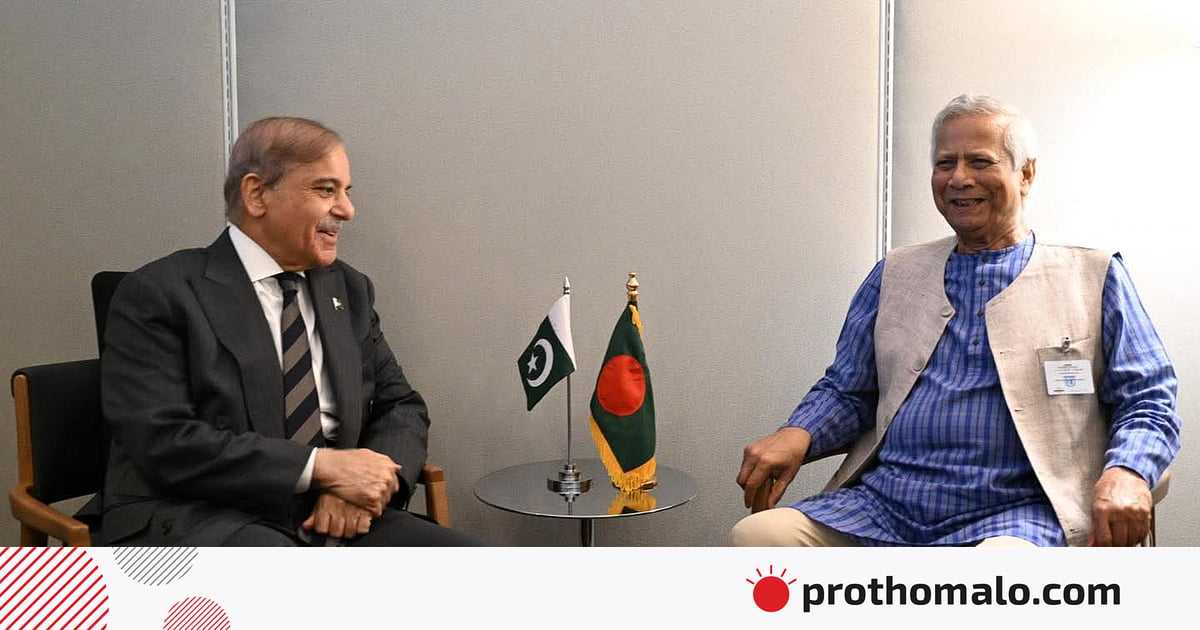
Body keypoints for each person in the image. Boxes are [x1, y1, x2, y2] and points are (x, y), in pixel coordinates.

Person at [733, 95, 1179, 547]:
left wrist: (1128, 471)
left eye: (980, 162)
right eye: (945, 163)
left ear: (1026, 174)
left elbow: (1148, 399)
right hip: (885, 506)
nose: (959, 178)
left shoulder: (1093, 275)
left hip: (1019, 513)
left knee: (1000, 569)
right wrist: (799, 432)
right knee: (759, 538)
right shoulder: (894, 274)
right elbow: (848, 390)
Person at [100, 117, 479, 546]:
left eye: (346, 191)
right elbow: (164, 441)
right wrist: (321, 468)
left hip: (332, 513)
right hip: (206, 516)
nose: (347, 210)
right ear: (257, 194)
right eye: (326, 190)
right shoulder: (160, 292)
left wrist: (360, 489)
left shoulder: (349, 289)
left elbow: (401, 406)